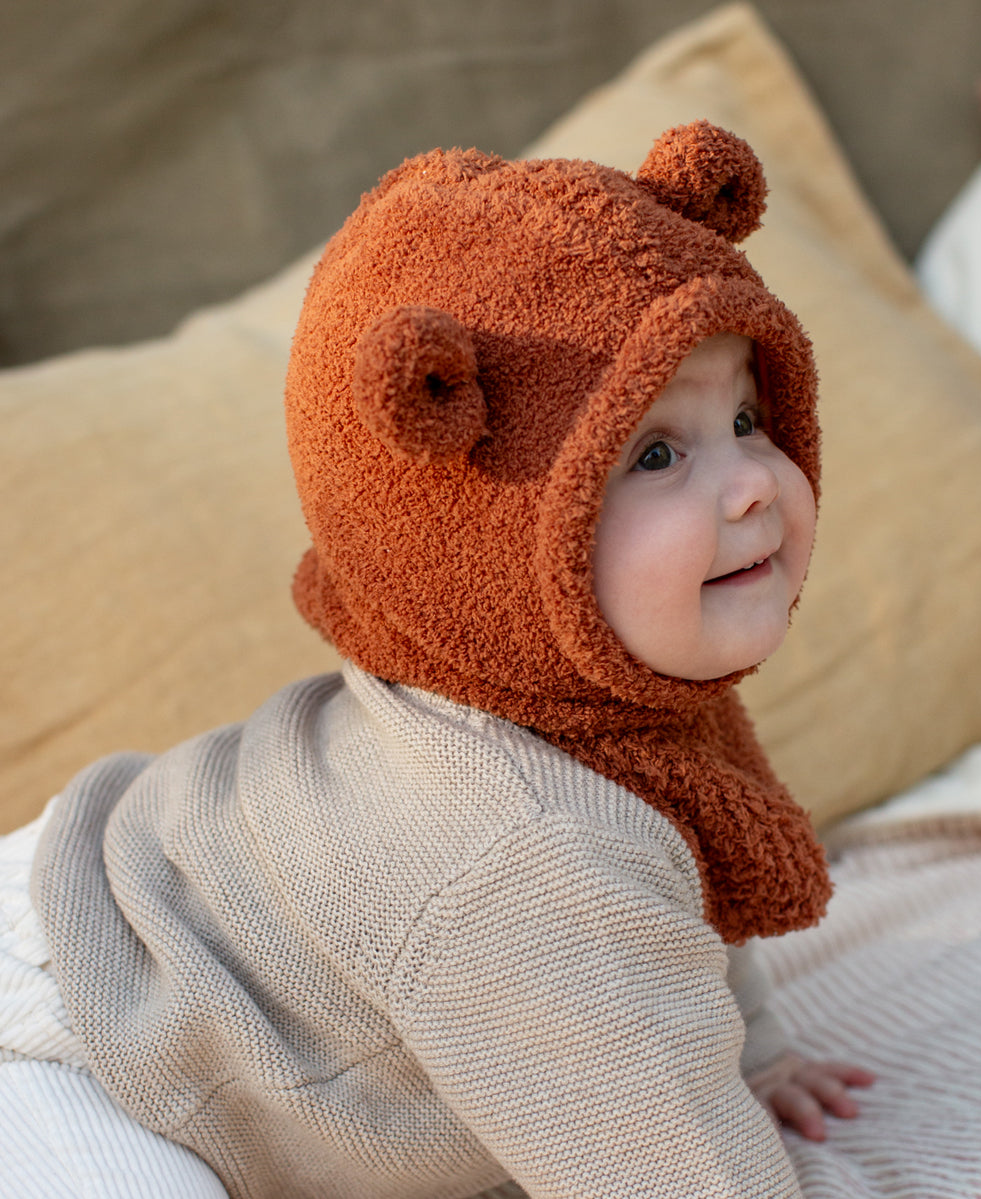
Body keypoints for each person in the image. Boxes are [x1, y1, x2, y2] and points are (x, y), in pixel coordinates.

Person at [0, 120, 872, 1197]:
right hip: (71, 1041)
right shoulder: (527, 851)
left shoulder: (604, 713)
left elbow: (684, 885)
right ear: (481, 533)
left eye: (747, 416)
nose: (749, 484)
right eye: (655, 453)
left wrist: (756, 1056)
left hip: (127, 916)